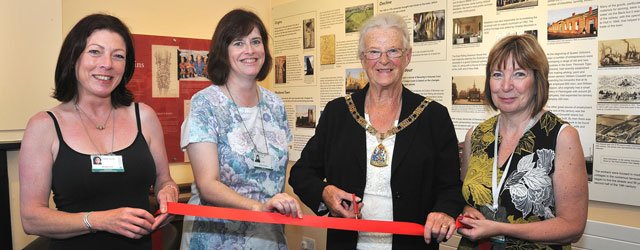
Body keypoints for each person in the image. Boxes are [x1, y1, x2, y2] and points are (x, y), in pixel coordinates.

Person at [289, 13, 464, 249]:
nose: (384, 60)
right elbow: (301, 174)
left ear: (407, 57)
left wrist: (444, 211)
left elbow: (450, 187)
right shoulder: (337, 113)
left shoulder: (434, 117)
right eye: (374, 52)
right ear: (362, 59)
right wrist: (325, 192)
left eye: (393, 51)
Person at [18, 14, 178, 250]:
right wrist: (99, 220)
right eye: (95, 52)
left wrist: (169, 193)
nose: (107, 64)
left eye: (118, 56)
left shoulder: (144, 116)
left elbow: (165, 180)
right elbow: (31, 218)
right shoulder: (44, 126)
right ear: (74, 58)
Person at [179, 9, 302, 249]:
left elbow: (275, 179)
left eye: (256, 41)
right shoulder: (206, 104)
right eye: (238, 43)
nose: (250, 50)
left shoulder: (275, 105)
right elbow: (208, 185)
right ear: (223, 52)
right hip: (217, 237)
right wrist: (258, 207)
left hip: (267, 236)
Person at [457, 34, 588, 249]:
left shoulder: (561, 136)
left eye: (518, 74)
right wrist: (467, 211)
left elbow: (572, 227)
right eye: (497, 74)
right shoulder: (477, 135)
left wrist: (500, 228)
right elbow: (466, 197)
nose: (506, 86)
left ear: (537, 80)